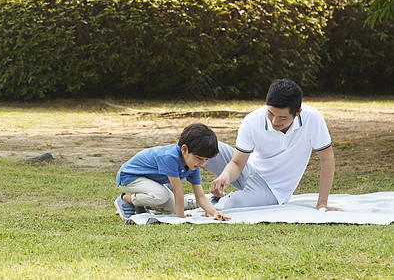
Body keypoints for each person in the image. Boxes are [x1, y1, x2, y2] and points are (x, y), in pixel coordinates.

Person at [206, 79, 342, 211]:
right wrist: (226, 175)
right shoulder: (252, 120)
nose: (275, 121)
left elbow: (327, 159)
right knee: (203, 144)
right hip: (248, 168)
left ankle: (199, 201)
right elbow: (237, 163)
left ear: (298, 112)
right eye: (270, 114)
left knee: (232, 204)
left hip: (272, 190)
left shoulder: (312, 118)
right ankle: (195, 194)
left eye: (283, 118)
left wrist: (322, 203)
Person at [114, 123, 231, 221]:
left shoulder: (194, 165)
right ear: (184, 149)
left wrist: (214, 213)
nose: (202, 163)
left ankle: (139, 205)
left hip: (149, 180)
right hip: (129, 176)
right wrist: (180, 217)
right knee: (161, 195)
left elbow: (200, 196)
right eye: (199, 158)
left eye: (206, 159)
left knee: (170, 207)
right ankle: (125, 200)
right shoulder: (170, 157)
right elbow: (178, 190)